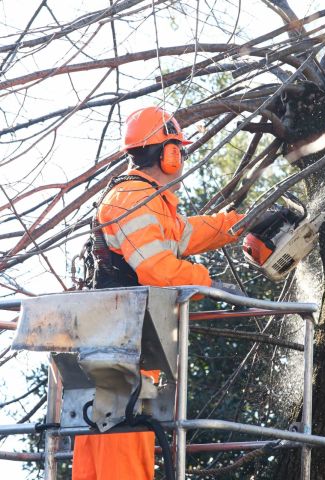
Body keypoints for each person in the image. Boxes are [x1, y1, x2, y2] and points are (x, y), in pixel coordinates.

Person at [72, 106, 244, 480]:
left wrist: (236, 225)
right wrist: (207, 282)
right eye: (178, 150)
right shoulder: (132, 198)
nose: (180, 158)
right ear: (168, 154)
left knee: (116, 435)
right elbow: (157, 268)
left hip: (125, 341)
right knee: (121, 438)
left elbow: (185, 234)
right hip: (118, 346)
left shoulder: (150, 200)